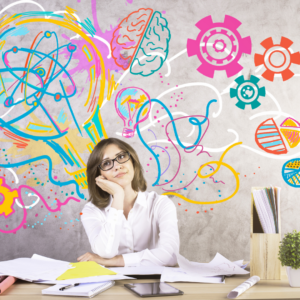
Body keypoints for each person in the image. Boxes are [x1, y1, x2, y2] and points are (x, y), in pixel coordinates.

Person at [77, 138, 179, 267]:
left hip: (155, 283)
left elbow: (170, 256)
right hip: (112, 284)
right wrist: (118, 196)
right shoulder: (91, 211)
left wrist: (115, 261)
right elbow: (106, 252)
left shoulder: (160, 204)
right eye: (107, 163)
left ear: (133, 162)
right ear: (99, 175)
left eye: (121, 156)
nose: (117, 166)